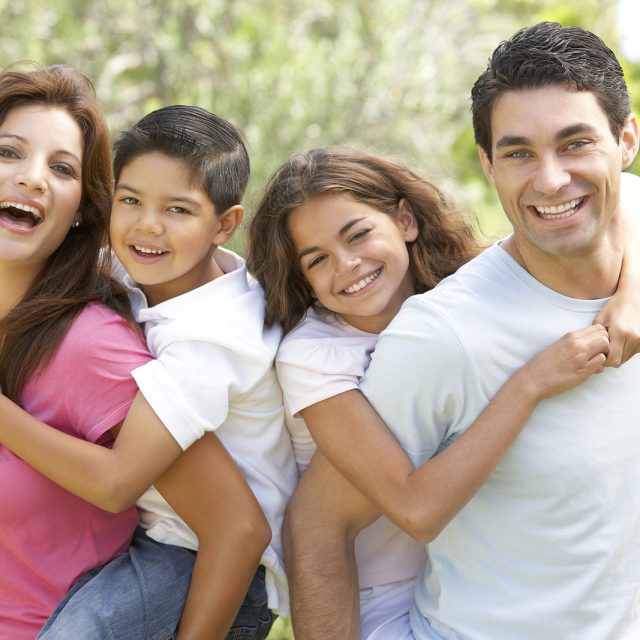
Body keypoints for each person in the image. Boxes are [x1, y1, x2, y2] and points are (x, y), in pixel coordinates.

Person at [246, 145, 638, 638]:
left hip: (466, 573)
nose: (346, 265)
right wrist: (531, 382)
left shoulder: (457, 296)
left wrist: (631, 296)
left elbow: (628, 195)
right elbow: (416, 509)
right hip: (375, 596)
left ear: (405, 220)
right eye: (317, 259)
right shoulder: (315, 356)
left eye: (359, 234)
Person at [359, 22, 640, 639]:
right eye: (518, 153)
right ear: (487, 165)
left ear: (626, 141)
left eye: (574, 144)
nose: (549, 179)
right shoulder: (442, 336)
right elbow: (321, 520)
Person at [0, 104, 297, 639]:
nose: (147, 225)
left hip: (209, 563)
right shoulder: (158, 273)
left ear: (225, 225)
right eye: (131, 200)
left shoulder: (212, 339)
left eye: (178, 210)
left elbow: (117, 484)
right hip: (163, 540)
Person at [0, 63, 150, 639]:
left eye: (61, 168)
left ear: (83, 207)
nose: (32, 178)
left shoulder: (91, 345)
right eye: (9, 152)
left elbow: (229, 524)